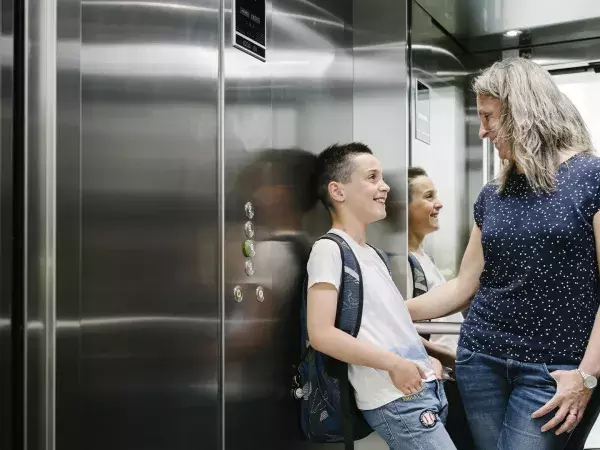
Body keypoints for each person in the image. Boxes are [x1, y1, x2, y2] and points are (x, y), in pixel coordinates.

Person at [406, 57, 600, 450]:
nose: (482, 131)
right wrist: (389, 310)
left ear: (521, 111)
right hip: (481, 360)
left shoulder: (592, 178)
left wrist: (588, 376)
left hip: (555, 370)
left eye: (488, 117)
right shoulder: (493, 194)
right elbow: (464, 285)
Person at [307, 142, 456, 450]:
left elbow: (390, 327)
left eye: (382, 177)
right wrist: (394, 364)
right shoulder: (329, 249)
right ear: (338, 191)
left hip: (421, 388)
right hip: (394, 398)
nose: (384, 186)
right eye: (372, 177)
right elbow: (321, 334)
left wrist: (428, 358)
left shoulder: (373, 255)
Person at [406, 167, 474, 449]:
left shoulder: (424, 257)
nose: (439, 203)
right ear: (404, 208)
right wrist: (451, 359)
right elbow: (403, 329)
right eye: (428, 196)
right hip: (443, 381)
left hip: (455, 376)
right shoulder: (403, 264)